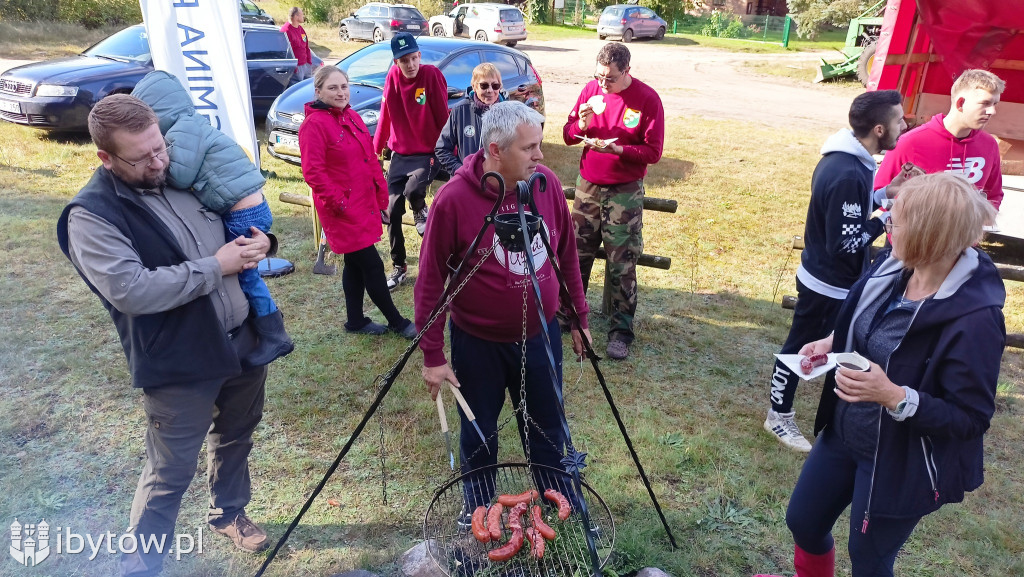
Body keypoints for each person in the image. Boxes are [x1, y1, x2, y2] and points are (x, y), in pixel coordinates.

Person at [56, 94, 275, 576]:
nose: (158, 162)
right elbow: (131, 290)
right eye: (142, 157)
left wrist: (262, 241)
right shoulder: (91, 215)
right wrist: (215, 267)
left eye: (160, 147)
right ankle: (142, 563)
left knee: (237, 435)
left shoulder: (184, 174)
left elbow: (233, 212)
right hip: (178, 361)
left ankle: (229, 513)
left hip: (240, 338)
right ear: (105, 158)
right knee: (170, 471)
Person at [755, 172, 1005, 577]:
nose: (886, 224)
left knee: (869, 561)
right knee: (803, 521)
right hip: (845, 433)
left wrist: (893, 395)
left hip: (900, 458)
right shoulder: (895, 267)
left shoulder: (976, 320)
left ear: (930, 234)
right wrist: (833, 341)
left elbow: (971, 417)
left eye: (896, 219)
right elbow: (865, 322)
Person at [415, 101, 593, 514]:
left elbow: (564, 254)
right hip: (479, 342)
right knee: (479, 432)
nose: (540, 155)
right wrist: (433, 355)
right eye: (529, 148)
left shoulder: (544, 184)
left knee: (548, 426)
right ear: (496, 150)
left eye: (539, 145)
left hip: (540, 335)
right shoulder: (454, 199)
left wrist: (578, 320)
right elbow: (430, 282)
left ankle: (559, 501)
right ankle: (478, 508)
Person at [764, 90, 908, 452]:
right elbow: (843, 243)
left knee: (841, 348)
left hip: (839, 282)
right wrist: (885, 217)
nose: (903, 126)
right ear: (879, 128)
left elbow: (849, 208)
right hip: (826, 284)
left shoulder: (854, 161)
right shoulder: (846, 171)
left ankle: (833, 422)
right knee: (800, 349)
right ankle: (777, 416)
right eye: (899, 121)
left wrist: (885, 193)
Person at [131, 70, 294, 367]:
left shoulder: (183, 130)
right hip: (248, 207)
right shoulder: (189, 125)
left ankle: (274, 334)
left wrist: (159, 167)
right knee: (245, 271)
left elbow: (180, 173)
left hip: (243, 212)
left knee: (245, 273)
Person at [562, 42, 664, 360]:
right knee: (577, 256)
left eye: (610, 78)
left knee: (622, 262)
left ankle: (620, 331)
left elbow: (653, 151)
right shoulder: (591, 91)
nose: (603, 84)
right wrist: (580, 124)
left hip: (624, 190)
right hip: (588, 186)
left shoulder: (647, 100)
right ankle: (568, 317)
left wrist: (619, 150)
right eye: (599, 76)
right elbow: (567, 134)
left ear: (627, 72)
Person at [299, 65, 417, 338]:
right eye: (333, 88)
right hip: (341, 211)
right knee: (372, 265)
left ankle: (355, 321)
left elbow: (369, 160)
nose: (341, 92)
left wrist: (380, 199)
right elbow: (313, 173)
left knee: (354, 263)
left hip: (363, 204)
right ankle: (397, 322)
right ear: (318, 92)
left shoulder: (351, 116)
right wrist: (340, 203)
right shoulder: (313, 126)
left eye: (344, 86)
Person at [373, 32, 449, 290]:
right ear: (396, 62)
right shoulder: (392, 78)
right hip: (401, 153)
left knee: (414, 189)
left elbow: (443, 115)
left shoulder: (431, 76)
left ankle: (419, 208)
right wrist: (375, 151)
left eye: (414, 58)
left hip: (428, 151)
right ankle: (399, 266)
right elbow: (385, 116)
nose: (411, 64)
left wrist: (450, 150)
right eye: (404, 60)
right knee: (392, 208)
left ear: (420, 56)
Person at [875, 69, 1006, 210]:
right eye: (985, 103)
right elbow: (879, 195)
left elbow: (994, 195)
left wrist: (984, 219)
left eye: (995, 104)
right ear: (960, 103)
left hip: (966, 232)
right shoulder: (910, 142)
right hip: (919, 231)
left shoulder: (989, 144)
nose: (992, 111)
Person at [434, 63, 505, 177]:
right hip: (467, 181)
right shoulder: (460, 110)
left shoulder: (509, 114)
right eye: (484, 85)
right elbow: (442, 149)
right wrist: (461, 171)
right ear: (474, 86)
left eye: (495, 86)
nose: (490, 90)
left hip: (499, 181)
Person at [281, 7, 314, 82]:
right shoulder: (286, 31)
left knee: (307, 88)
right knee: (297, 90)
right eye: (302, 14)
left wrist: (309, 61)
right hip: (296, 68)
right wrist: (294, 67)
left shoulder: (301, 29)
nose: (303, 16)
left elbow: (306, 45)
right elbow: (285, 52)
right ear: (296, 17)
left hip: (305, 65)